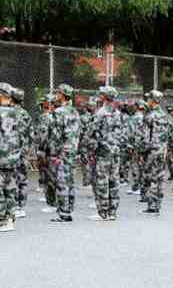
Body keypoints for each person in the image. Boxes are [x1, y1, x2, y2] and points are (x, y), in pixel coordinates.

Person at [0, 83, 23, 232]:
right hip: (14, 155)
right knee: (11, 187)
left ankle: (0, 221)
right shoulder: (18, 113)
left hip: (1, 155)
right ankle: (10, 218)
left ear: (1, 95)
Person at [88, 85, 124, 221]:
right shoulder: (118, 113)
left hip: (103, 152)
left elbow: (93, 133)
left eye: (101, 93)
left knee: (101, 181)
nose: (99, 94)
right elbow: (121, 134)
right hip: (115, 151)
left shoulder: (101, 113)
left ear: (105, 96)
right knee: (114, 180)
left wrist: (90, 151)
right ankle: (113, 211)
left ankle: (103, 211)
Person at [47, 84, 81, 223]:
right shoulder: (74, 111)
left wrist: (54, 154)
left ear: (62, 95)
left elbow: (56, 135)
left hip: (62, 150)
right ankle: (69, 208)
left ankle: (63, 213)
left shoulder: (59, 111)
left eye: (58, 93)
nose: (56, 94)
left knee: (61, 181)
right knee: (70, 180)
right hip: (72, 149)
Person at [139, 89, 170, 215]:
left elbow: (146, 137)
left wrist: (142, 152)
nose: (147, 101)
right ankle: (157, 204)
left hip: (152, 151)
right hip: (162, 150)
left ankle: (151, 205)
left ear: (152, 100)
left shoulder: (150, 116)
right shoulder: (164, 115)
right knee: (159, 178)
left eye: (148, 99)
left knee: (151, 177)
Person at [10, 87, 32, 218]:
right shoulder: (25, 114)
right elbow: (31, 133)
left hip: (11, 151)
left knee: (11, 178)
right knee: (22, 178)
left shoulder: (8, 113)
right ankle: (20, 206)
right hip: (23, 151)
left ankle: (11, 205)